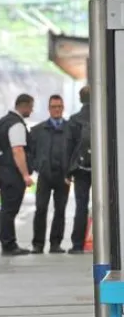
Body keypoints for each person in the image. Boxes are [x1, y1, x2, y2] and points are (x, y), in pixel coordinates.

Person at [29, 94, 74, 254]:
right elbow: (30, 151)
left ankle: (55, 244)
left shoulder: (71, 128)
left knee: (60, 210)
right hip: (45, 175)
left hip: (63, 176)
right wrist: (36, 166)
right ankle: (38, 244)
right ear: (49, 109)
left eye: (59, 107)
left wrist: (71, 171)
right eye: (54, 107)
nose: (57, 110)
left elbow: (76, 150)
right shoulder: (38, 130)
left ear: (63, 108)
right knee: (40, 209)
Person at [0, 93, 35, 256]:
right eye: (31, 107)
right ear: (24, 106)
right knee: (9, 210)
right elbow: (18, 150)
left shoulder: (3, 121)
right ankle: (9, 244)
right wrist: (25, 175)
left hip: (2, 170)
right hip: (12, 173)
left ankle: (8, 242)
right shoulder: (16, 125)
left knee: (6, 209)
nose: (31, 111)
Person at [67, 85, 91, 254]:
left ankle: (77, 244)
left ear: (80, 99)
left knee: (81, 206)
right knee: (104, 206)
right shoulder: (103, 116)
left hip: (81, 169)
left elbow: (69, 147)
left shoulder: (74, 119)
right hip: (101, 169)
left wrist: (68, 171)